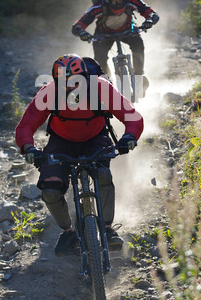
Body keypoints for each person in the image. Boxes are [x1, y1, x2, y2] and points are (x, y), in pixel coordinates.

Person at [15, 53, 144, 257]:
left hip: (96, 138)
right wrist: (28, 148)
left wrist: (129, 136)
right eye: (64, 82)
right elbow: (25, 126)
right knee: (50, 189)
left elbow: (132, 117)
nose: (71, 86)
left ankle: (108, 229)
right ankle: (68, 232)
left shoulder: (101, 87)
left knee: (103, 175)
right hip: (61, 142)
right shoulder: (49, 92)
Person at [72, 0, 159, 94]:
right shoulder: (98, 8)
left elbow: (151, 13)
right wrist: (82, 33)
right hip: (103, 35)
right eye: (113, 1)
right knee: (99, 60)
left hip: (128, 31)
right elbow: (78, 26)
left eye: (120, 0)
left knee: (138, 46)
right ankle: (105, 84)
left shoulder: (133, 1)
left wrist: (149, 20)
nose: (117, 4)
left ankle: (139, 76)